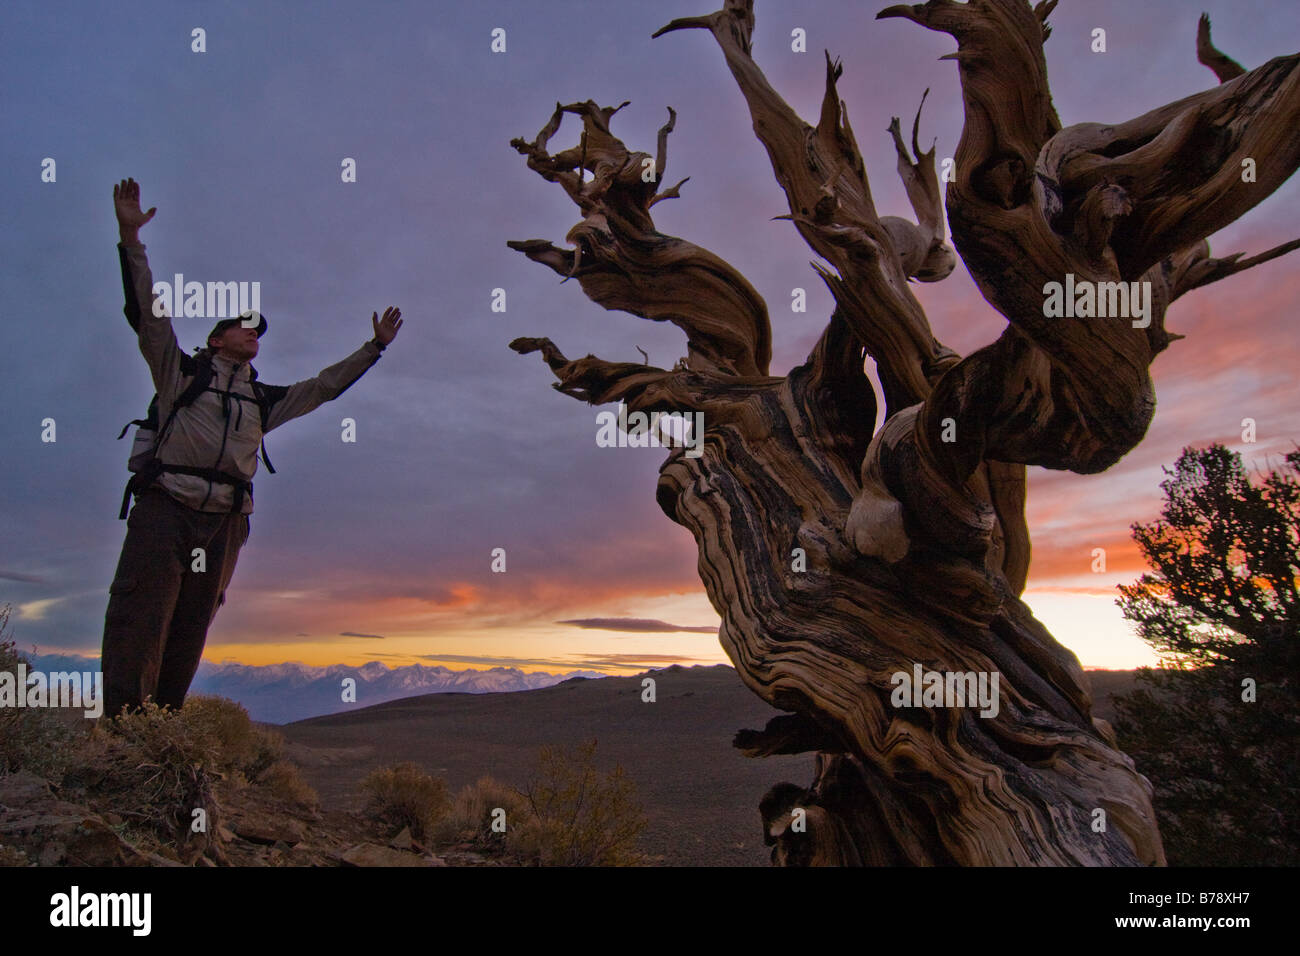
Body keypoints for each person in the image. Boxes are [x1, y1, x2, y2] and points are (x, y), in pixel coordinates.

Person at [101, 177, 404, 718]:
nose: (253, 334)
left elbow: (324, 386)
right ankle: (120, 734)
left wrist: (373, 349)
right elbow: (148, 316)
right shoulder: (181, 375)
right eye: (242, 328)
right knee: (141, 613)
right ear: (216, 339)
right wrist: (131, 240)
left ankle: (162, 733)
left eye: (258, 332)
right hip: (166, 507)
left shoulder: (264, 400)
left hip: (225, 521)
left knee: (192, 624)